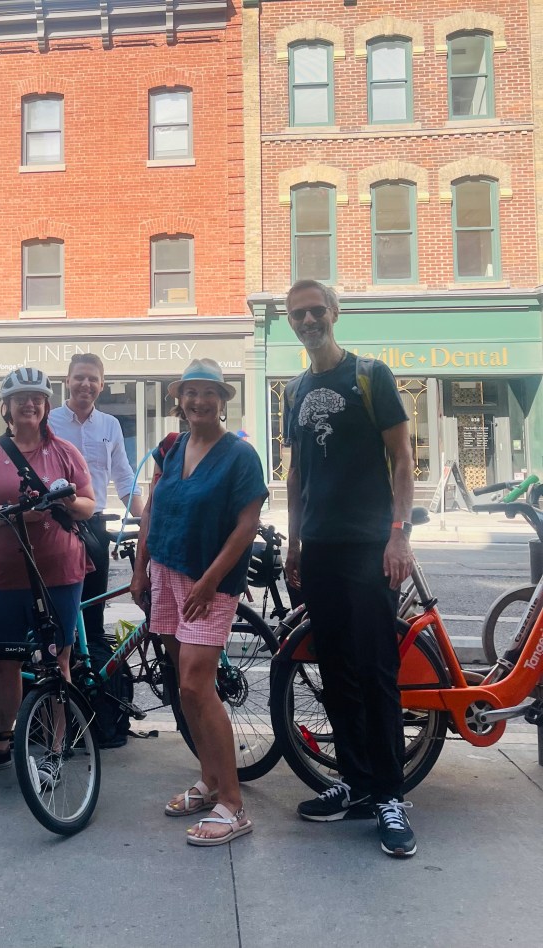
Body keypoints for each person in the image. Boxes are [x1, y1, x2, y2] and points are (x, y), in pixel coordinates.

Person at [282, 279, 417, 859]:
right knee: (335, 669)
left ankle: (389, 794)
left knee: (376, 671)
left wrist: (398, 536)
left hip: (369, 547)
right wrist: (294, 542)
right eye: (299, 314)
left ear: (335, 314)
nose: (309, 320)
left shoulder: (370, 375)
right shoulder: (294, 391)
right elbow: (295, 475)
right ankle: (357, 784)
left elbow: (403, 458)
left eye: (317, 311)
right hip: (319, 550)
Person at [130, 359, 266, 847]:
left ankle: (233, 803)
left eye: (210, 393)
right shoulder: (174, 445)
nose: (199, 401)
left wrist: (210, 581)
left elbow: (246, 526)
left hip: (209, 583)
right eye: (191, 393)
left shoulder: (240, 456)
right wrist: (140, 566)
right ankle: (209, 780)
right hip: (165, 572)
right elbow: (153, 507)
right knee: (184, 686)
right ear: (179, 399)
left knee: (195, 685)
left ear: (223, 401)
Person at [0, 367, 95, 781]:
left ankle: (56, 749)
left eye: (36, 398)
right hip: (2, 574)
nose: (29, 404)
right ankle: (0, 744)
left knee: (58, 660)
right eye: (20, 399)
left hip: (58, 572)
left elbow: (90, 504)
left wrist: (65, 502)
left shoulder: (66, 452)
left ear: (46, 406)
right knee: (5, 661)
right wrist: (5, 514)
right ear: (7, 407)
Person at [49, 353, 144, 746]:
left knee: (92, 614)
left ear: (102, 385)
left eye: (93, 379)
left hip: (94, 525)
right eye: (79, 378)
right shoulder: (49, 420)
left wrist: (146, 517)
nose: (85, 385)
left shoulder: (110, 425)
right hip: (53, 522)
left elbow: (123, 475)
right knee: (58, 619)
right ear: (67, 382)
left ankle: (92, 709)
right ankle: (54, 711)